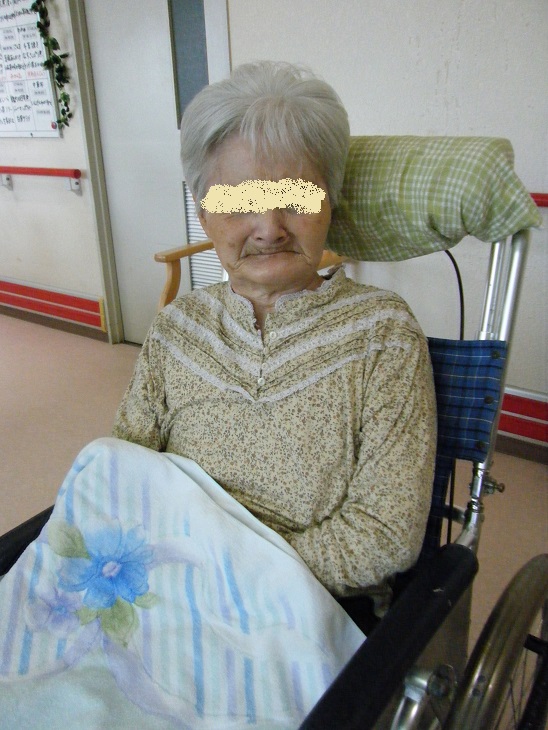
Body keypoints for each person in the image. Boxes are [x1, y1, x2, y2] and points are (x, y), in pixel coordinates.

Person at [113, 61, 436, 617]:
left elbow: (384, 532)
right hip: (168, 589)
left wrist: (229, 578)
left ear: (330, 204)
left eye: (295, 197)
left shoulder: (383, 332)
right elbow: (126, 469)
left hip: (307, 610)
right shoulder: (176, 327)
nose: (269, 227)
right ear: (204, 215)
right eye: (239, 202)